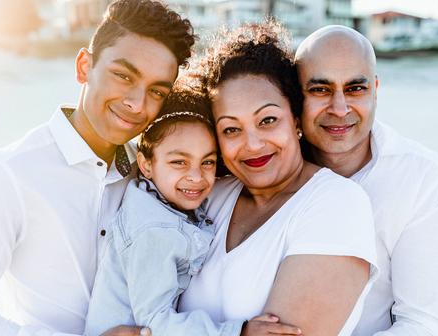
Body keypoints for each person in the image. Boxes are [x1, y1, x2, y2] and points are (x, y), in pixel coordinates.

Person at [0, 1, 196, 335]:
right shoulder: (11, 173)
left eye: (156, 91)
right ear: (84, 66)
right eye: (123, 75)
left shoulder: (153, 174)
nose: (137, 103)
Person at [179, 22, 379, 335]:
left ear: (296, 119)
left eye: (268, 120)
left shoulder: (337, 205)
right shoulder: (210, 194)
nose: (253, 144)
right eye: (231, 129)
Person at [294, 25, 438, 335]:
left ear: (375, 88)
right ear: (296, 96)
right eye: (320, 89)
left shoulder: (427, 182)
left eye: (355, 89)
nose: (339, 108)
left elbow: (423, 325)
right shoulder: (265, 168)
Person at [84, 86, 301, 336]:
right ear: (145, 164)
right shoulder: (154, 231)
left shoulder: (154, 198)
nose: (196, 177)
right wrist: (238, 332)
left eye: (207, 162)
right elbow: (155, 324)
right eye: (179, 162)